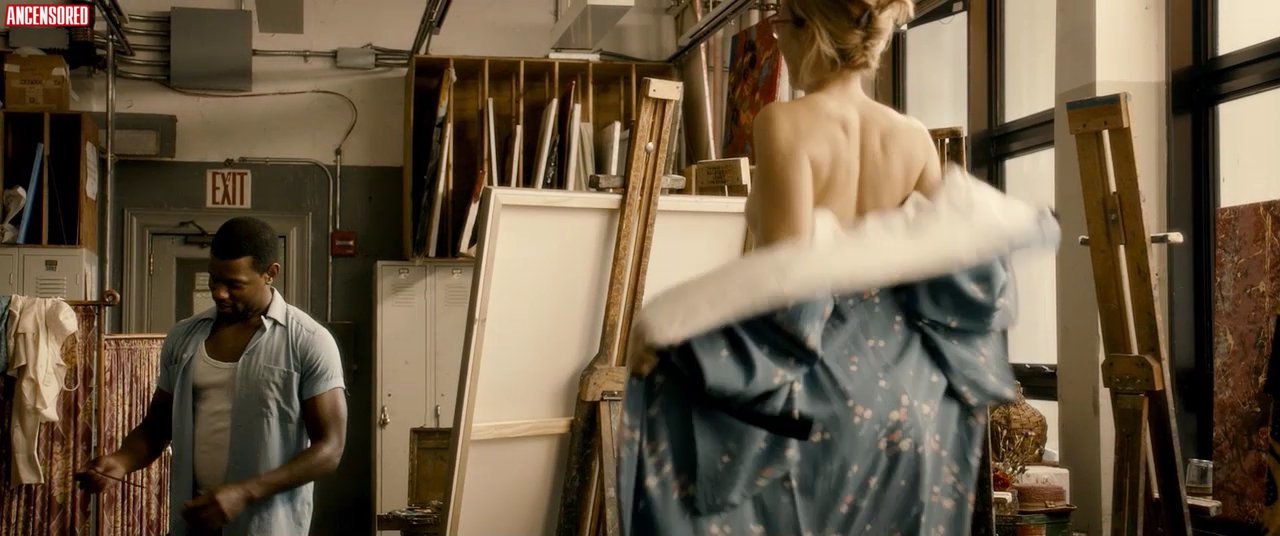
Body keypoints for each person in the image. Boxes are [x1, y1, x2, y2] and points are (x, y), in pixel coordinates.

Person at [617, 0, 1060, 534]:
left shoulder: (783, 124)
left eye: (781, 24)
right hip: (913, 396)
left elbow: (788, 277)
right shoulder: (913, 137)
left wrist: (670, 326)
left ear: (811, 31)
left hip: (825, 390)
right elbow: (947, 260)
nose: (776, 38)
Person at [77, 216, 348, 536]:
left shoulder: (308, 341)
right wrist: (121, 461)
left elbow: (330, 449)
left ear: (270, 273)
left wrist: (246, 492)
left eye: (234, 284)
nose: (219, 293)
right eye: (214, 280)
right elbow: (157, 427)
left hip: (267, 526)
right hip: (193, 521)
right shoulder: (183, 337)